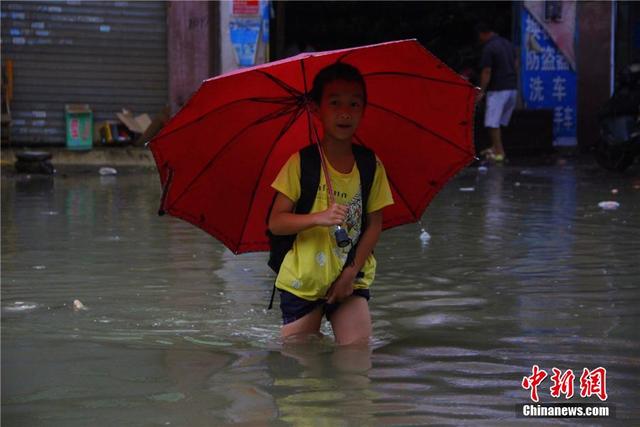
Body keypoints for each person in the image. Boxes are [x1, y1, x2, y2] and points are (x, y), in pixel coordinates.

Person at [268, 63, 394, 346]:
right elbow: (276, 222)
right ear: (316, 109)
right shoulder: (301, 163)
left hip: (350, 277)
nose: (345, 112)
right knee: (301, 369)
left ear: (363, 110)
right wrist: (318, 217)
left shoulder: (370, 165)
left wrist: (350, 273)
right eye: (334, 103)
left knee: (357, 358)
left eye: (354, 104)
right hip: (303, 281)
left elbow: (375, 224)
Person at [476, 21, 519, 163]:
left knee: (492, 123)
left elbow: (487, 71)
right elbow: (516, 64)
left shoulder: (489, 48)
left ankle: (499, 153)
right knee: (499, 122)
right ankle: (495, 147)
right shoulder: (508, 44)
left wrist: (481, 91)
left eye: (480, 36)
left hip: (498, 90)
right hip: (512, 88)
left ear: (484, 33)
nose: (479, 39)